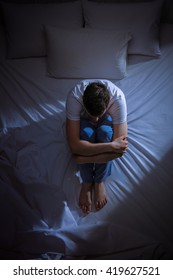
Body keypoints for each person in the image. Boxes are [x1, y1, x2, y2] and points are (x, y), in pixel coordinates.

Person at [66, 79, 128, 214]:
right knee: (86, 133)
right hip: (84, 121)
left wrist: (83, 159)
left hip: (107, 118)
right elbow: (75, 147)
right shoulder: (74, 97)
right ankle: (87, 182)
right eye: (91, 115)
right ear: (83, 102)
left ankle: (99, 181)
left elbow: (120, 151)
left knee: (105, 132)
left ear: (107, 105)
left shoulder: (118, 99)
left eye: (98, 115)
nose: (96, 120)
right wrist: (111, 145)